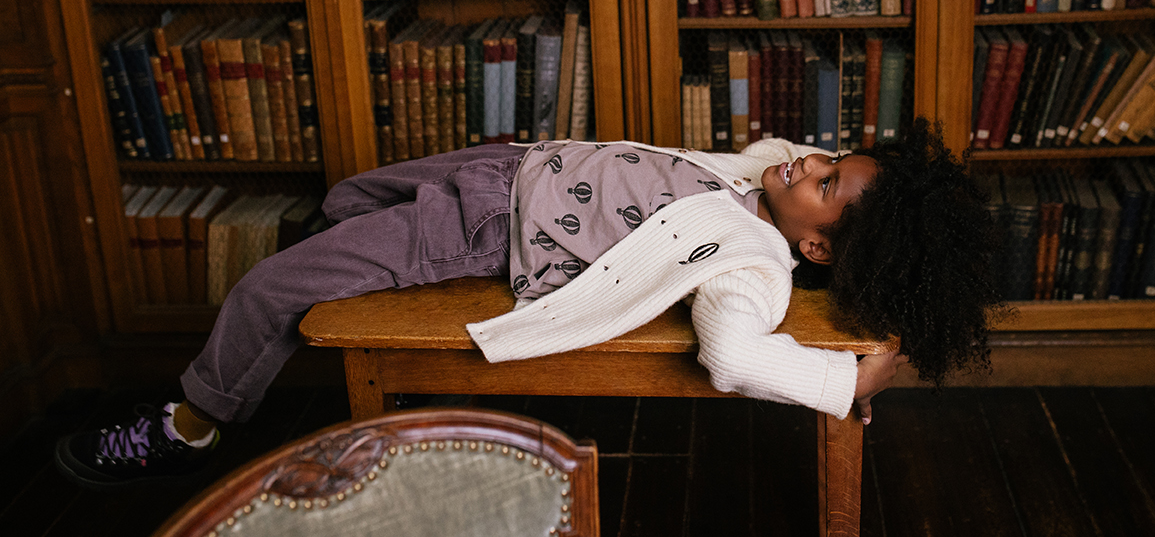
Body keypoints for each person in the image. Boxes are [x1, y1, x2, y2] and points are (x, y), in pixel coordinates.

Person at [56, 116, 1004, 489]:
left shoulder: (751, 260)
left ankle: (192, 422)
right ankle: (329, 271)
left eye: (827, 182)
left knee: (272, 285)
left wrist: (849, 380)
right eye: (830, 157)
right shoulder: (761, 177)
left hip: (481, 229)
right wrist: (827, 180)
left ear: (815, 248)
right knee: (341, 199)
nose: (811, 162)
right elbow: (789, 157)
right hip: (505, 166)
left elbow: (732, 354)